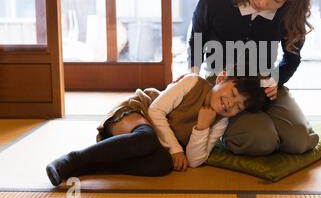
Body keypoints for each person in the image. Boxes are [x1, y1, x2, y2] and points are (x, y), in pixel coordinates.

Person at [188, 0, 320, 156]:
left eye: (277, 0)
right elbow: (196, 40)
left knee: (300, 141)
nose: (264, 3)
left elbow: (292, 58)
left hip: (264, 82)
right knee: (259, 141)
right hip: (224, 83)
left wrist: (276, 80)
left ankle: (267, 124)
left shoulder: (289, 13)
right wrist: (193, 78)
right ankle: (257, 128)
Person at [45, 72, 266, 187]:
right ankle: (71, 160)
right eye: (233, 94)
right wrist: (175, 149)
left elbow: (195, 160)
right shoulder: (193, 83)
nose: (230, 104)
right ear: (221, 79)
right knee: (147, 139)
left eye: (238, 106)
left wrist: (201, 127)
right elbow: (156, 110)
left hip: (156, 145)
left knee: (162, 165)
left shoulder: (220, 122)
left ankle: (87, 167)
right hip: (139, 114)